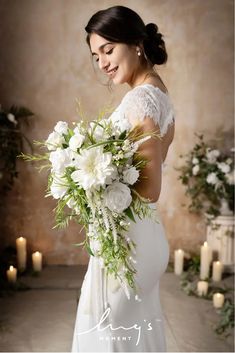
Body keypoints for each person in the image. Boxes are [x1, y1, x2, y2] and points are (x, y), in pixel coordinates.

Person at [71, 5, 175, 352]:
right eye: (96, 55)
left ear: (135, 44)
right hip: (141, 237)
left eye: (108, 49)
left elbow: (150, 190)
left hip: (130, 245)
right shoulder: (158, 92)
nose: (102, 62)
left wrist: (96, 182)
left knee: (110, 338)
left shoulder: (141, 99)